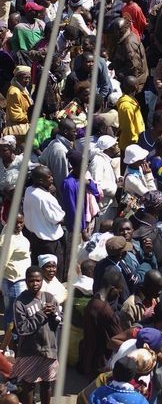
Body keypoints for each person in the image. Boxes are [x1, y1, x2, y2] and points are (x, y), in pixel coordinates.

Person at [12, 266, 62, 404]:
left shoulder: (49, 297)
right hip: (29, 350)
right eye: (31, 281)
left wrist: (53, 314)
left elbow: (58, 322)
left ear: (42, 281)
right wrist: (41, 314)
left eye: (38, 281)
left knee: (46, 384)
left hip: (48, 349)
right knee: (29, 385)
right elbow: (22, 329)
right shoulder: (20, 302)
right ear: (26, 281)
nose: (35, 284)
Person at [22, 166, 66, 280]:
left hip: (34, 237)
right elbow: (58, 218)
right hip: (49, 241)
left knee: (38, 267)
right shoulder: (45, 197)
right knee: (53, 269)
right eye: (49, 177)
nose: (52, 178)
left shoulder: (29, 190)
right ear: (40, 180)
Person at [83, 267, 123, 380]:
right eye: (118, 291)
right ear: (112, 289)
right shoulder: (105, 311)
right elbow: (118, 337)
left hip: (90, 360)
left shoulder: (93, 302)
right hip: (102, 364)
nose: (119, 295)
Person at [0, 214, 30, 350]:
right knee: (13, 314)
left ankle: (11, 342)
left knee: (12, 313)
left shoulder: (13, 233)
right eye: (16, 223)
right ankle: (11, 344)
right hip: (14, 282)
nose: (18, 226)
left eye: (21, 223)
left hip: (18, 280)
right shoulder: (9, 239)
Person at [39, 117, 76, 197]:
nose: (76, 134)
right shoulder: (60, 150)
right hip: (60, 196)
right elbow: (62, 179)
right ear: (66, 132)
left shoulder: (54, 143)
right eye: (74, 131)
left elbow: (41, 159)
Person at [109, 17, 149, 93]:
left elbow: (135, 68)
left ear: (126, 27)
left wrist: (120, 74)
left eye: (119, 29)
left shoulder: (129, 44)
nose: (116, 32)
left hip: (134, 83)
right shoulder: (125, 37)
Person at [90, 135, 120, 221]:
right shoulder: (97, 161)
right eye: (115, 145)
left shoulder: (105, 160)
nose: (117, 147)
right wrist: (116, 187)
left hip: (109, 204)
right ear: (108, 149)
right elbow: (96, 184)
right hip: (103, 207)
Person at [117, 76, 146, 151]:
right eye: (138, 84)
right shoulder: (127, 106)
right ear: (135, 86)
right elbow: (128, 127)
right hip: (130, 145)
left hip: (137, 141)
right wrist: (135, 142)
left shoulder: (131, 101)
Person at [4, 65, 33, 140]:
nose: (27, 80)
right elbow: (15, 115)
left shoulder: (23, 89)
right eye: (25, 78)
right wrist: (31, 117)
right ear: (17, 78)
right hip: (18, 130)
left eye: (29, 78)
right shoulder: (14, 91)